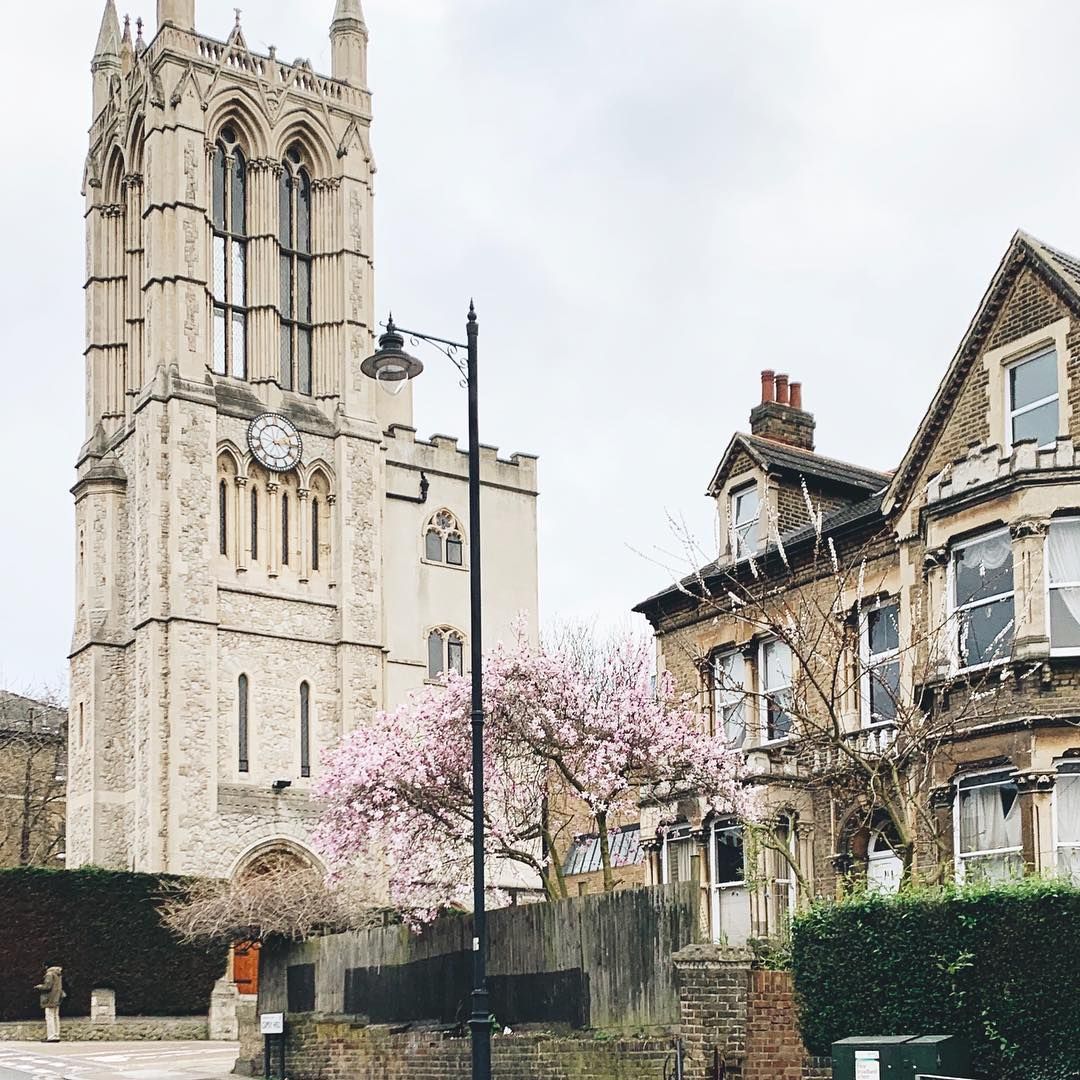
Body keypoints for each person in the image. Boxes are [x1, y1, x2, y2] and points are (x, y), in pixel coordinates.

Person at [34, 965, 65, 1043]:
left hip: (50, 999)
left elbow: (47, 986)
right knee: (56, 1016)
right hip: (57, 998)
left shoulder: (50, 974)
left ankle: (51, 1036)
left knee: (49, 1017)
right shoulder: (58, 974)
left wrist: (39, 987)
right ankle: (56, 1035)